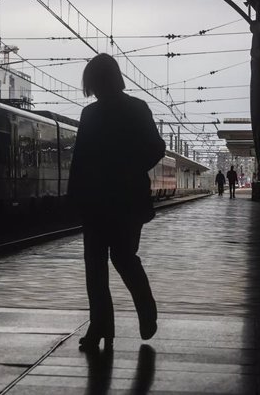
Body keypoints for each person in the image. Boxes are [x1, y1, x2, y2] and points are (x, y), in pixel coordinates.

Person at [68, 53, 164, 351]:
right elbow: (156, 148)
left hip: (99, 199)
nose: (93, 90)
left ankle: (102, 326)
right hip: (127, 200)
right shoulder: (136, 108)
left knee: (95, 267)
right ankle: (142, 313)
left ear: (97, 82)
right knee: (124, 258)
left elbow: (80, 159)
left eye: (93, 83)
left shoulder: (92, 115)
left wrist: (75, 196)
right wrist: (132, 169)